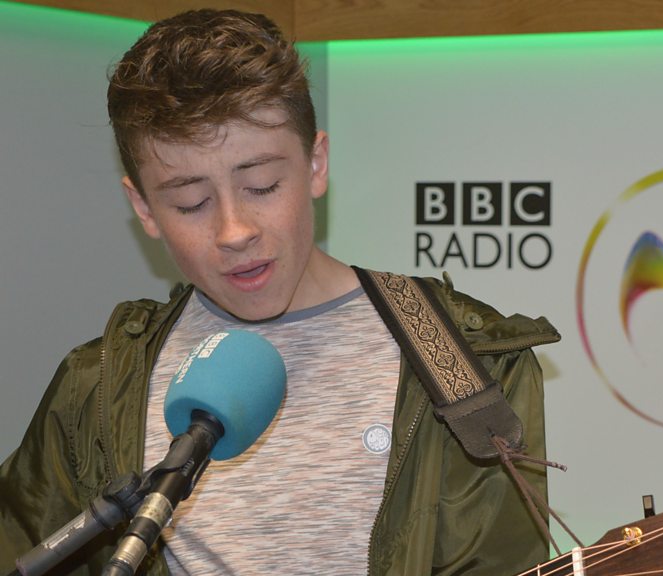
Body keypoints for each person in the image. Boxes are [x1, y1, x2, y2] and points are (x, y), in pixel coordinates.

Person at [0, 9, 559, 575]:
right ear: (143, 207)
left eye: (262, 185)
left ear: (316, 163)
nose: (234, 231)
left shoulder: (470, 367)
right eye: (191, 203)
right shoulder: (98, 390)